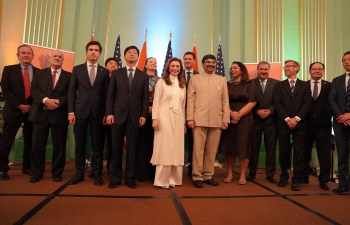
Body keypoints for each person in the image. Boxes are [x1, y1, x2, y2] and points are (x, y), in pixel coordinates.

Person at [106, 46, 148, 189]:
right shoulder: (117, 73)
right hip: (117, 115)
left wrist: (143, 115)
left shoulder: (143, 75)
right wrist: (109, 113)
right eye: (129, 53)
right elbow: (110, 95)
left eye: (135, 53)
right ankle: (115, 178)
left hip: (135, 117)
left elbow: (144, 99)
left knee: (132, 149)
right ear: (124, 57)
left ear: (137, 57)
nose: (132, 54)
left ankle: (130, 178)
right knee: (116, 148)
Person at [68, 41, 109, 186]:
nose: (93, 52)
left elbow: (107, 95)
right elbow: (72, 91)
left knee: (98, 145)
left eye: (96, 50)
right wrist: (71, 111)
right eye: (90, 49)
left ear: (99, 53)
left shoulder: (105, 72)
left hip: (98, 113)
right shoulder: (77, 69)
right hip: (80, 112)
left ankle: (97, 173)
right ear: (86, 52)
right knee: (80, 144)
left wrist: (106, 113)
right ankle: (79, 173)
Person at [187, 54, 230, 188]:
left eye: (213, 62)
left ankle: (208, 175)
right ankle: (197, 176)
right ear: (202, 64)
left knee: (212, 151)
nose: (211, 64)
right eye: (208, 62)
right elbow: (190, 99)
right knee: (198, 150)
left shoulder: (221, 80)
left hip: (216, 119)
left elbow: (225, 100)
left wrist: (225, 119)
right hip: (198, 119)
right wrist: (190, 118)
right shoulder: (195, 78)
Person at [28, 49, 71, 182]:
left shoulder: (69, 76)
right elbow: (34, 89)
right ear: (50, 58)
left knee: (59, 146)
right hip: (41, 113)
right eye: (55, 56)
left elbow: (71, 93)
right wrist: (46, 100)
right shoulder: (39, 73)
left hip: (59, 114)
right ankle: (36, 172)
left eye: (60, 57)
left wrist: (58, 102)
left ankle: (57, 173)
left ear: (63, 60)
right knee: (37, 145)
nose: (57, 58)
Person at [0, 44, 39, 180]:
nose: (26, 55)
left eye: (29, 53)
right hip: (13, 111)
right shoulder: (9, 70)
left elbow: (39, 92)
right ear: (18, 55)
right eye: (23, 53)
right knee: (6, 141)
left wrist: (30, 106)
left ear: (33, 56)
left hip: (32, 112)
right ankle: (2, 169)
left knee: (30, 141)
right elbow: (5, 90)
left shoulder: (39, 72)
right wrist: (19, 105)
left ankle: (27, 166)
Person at [273, 60, 312, 191]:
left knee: (299, 152)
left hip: (300, 124)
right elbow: (277, 103)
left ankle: (297, 179)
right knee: (283, 151)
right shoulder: (279, 85)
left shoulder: (305, 85)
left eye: (288, 66)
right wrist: (287, 119)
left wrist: (296, 119)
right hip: (283, 123)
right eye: (285, 66)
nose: (286, 68)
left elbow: (307, 103)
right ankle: (283, 177)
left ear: (296, 68)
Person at [219, 61, 258, 185]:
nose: (232, 70)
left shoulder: (250, 84)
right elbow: (222, 101)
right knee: (229, 147)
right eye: (231, 68)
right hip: (228, 117)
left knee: (243, 147)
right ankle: (229, 174)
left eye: (235, 68)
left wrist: (238, 114)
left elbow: (252, 102)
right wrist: (231, 114)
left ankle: (242, 175)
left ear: (242, 70)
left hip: (245, 119)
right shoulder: (227, 85)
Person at [150, 57, 186, 188]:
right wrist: (155, 119)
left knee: (176, 147)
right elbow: (156, 102)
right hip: (164, 115)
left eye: (177, 66)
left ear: (180, 69)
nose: (175, 68)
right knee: (165, 146)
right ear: (168, 68)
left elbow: (182, 105)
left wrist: (183, 123)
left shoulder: (182, 84)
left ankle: (174, 179)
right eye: (173, 66)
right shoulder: (162, 82)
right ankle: (162, 180)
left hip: (178, 117)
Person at [247, 61, 279, 183]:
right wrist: (257, 111)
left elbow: (279, 101)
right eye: (261, 69)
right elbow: (248, 100)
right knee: (253, 148)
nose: (263, 71)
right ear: (257, 70)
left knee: (271, 148)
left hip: (271, 120)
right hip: (255, 120)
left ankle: (270, 174)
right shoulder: (250, 83)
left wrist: (270, 111)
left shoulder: (276, 84)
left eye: (266, 69)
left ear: (269, 70)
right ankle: (252, 173)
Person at [302, 62, 332, 190]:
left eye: (320, 69)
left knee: (324, 154)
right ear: (309, 71)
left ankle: (324, 180)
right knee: (304, 152)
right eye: (314, 69)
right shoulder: (302, 86)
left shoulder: (330, 86)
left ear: (323, 71)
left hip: (323, 125)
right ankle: (303, 177)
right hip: (305, 124)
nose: (317, 71)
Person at [329, 51, 350, 193]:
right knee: (342, 154)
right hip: (340, 122)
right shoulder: (336, 80)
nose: (346, 62)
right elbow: (332, 99)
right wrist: (342, 116)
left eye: (349, 59)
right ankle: (343, 184)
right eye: (344, 60)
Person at [136, 57, 158, 182]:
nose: (153, 64)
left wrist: (154, 108)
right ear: (145, 64)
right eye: (151, 62)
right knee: (142, 143)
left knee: (154, 144)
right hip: (142, 114)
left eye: (155, 62)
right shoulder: (140, 78)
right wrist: (147, 108)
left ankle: (153, 173)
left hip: (157, 116)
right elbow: (137, 96)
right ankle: (141, 172)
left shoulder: (160, 80)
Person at [183, 52, 199, 177]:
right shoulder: (177, 74)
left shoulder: (200, 76)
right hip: (178, 113)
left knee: (194, 142)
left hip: (195, 115)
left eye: (190, 59)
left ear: (194, 61)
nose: (187, 61)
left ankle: (192, 168)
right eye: (185, 59)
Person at [104, 57, 119, 174]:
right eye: (110, 64)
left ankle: (110, 168)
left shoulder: (120, 79)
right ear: (105, 66)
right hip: (100, 116)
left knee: (113, 144)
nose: (113, 65)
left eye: (115, 64)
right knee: (98, 144)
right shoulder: (101, 78)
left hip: (115, 116)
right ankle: (96, 170)